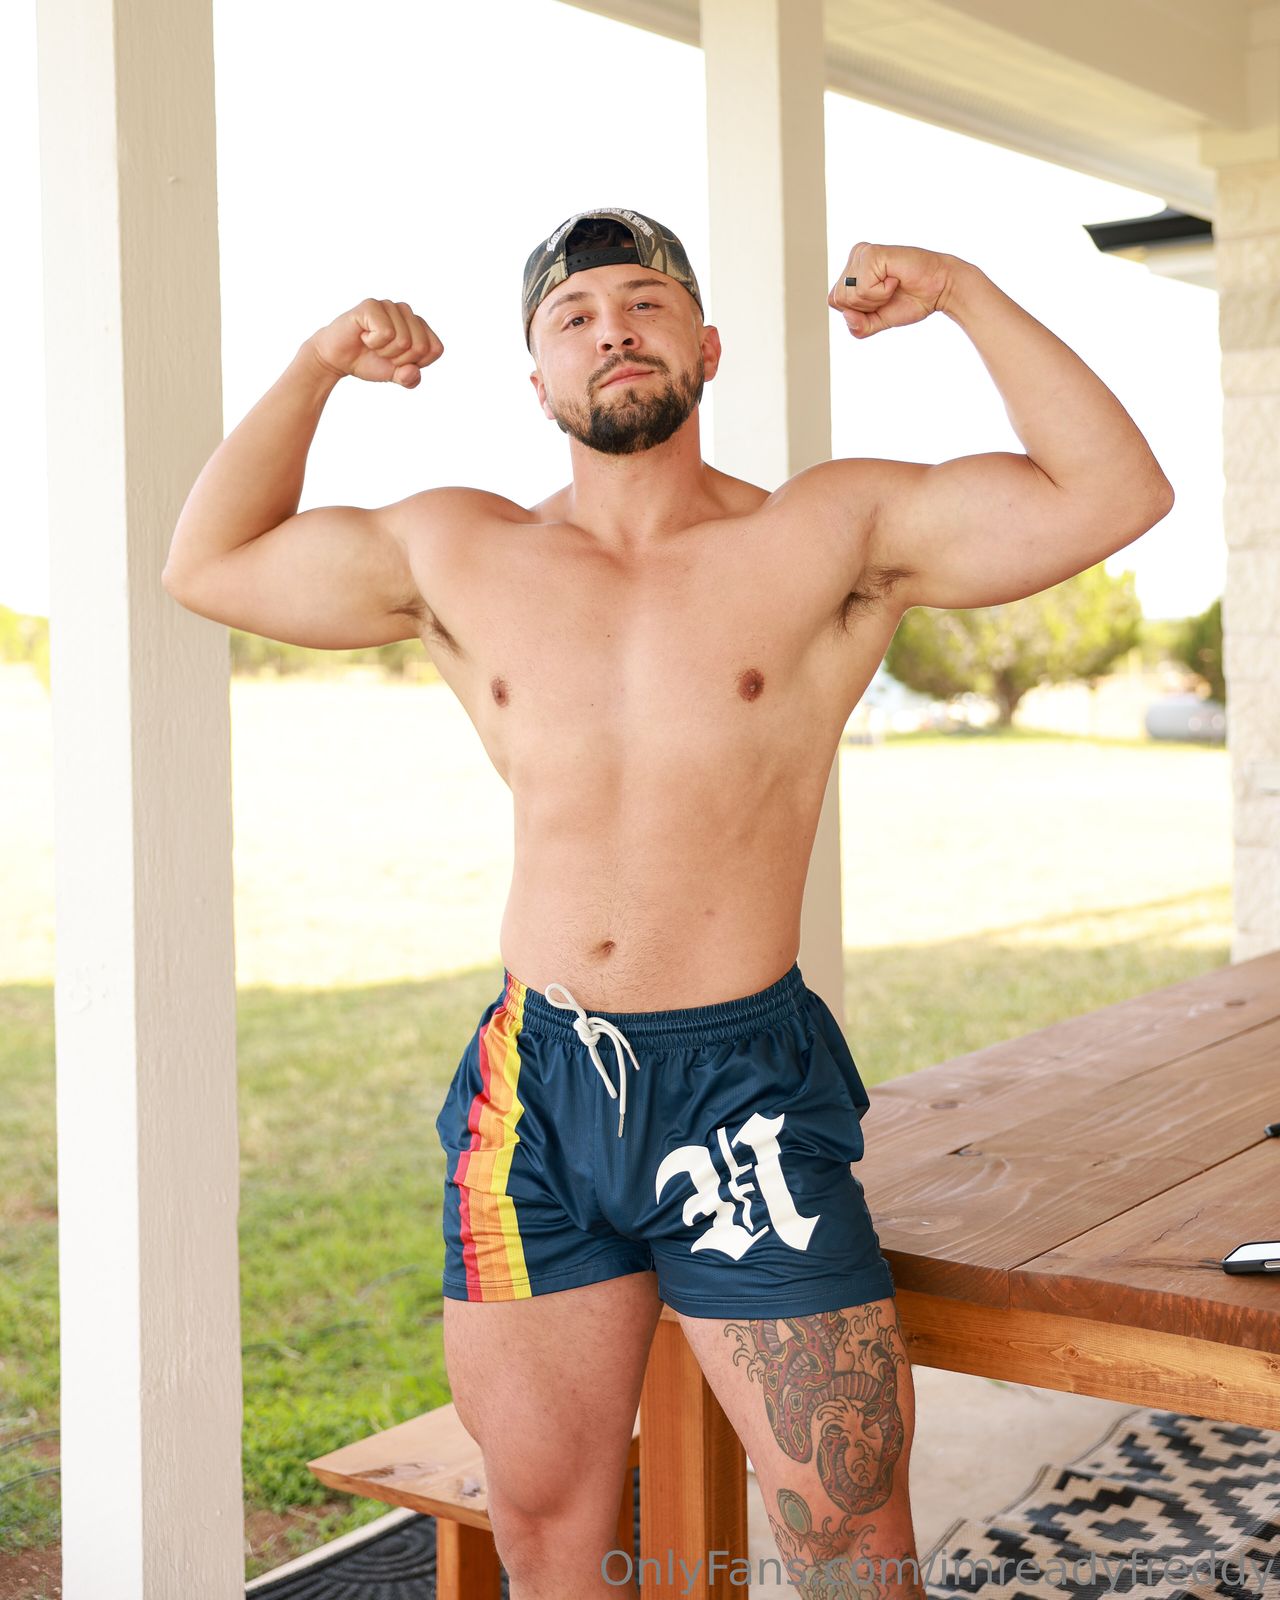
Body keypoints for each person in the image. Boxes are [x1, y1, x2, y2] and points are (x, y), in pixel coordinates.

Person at [162, 208, 1173, 1598]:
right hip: (537, 1091)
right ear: (537, 379)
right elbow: (207, 562)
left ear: (705, 346)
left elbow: (1114, 493)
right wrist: (316, 366)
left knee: (847, 1531)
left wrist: (963, 290)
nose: (613, 332)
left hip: (743, 1093)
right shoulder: (460, 548)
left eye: (644, 304)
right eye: (573, 317)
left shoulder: (828, 531)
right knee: (546, 1528)